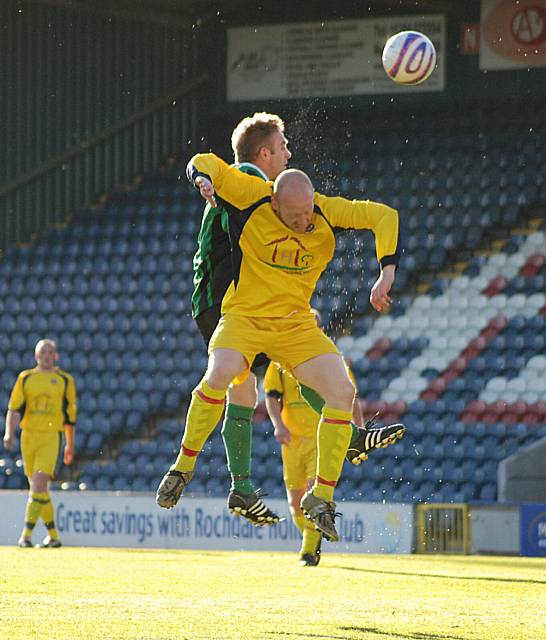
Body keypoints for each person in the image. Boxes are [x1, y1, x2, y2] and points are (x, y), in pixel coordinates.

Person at [157, 152, 400, 543]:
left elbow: (384, 215)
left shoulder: (323, 209)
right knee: (220, 374)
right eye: (295, 214)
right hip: (244, 318)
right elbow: (207, 162)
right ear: (273, 201)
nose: (304, 221)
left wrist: (386, 272)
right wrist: (202, 179)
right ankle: (183, 467)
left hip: (294, 324)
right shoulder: (253, 195)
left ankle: (321, 498)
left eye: (308, 212)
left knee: (343, 391)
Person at [192, 112, 291, 525]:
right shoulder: (246, 181)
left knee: (245, 389)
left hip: (223, 300)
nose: (289, 153)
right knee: (290, 355)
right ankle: (348, 434)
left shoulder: (247, 185)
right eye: (283, 146)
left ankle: (241, 487)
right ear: (264, 153)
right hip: (227, 300)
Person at [264, 309, 367, 566]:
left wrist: (361, 432)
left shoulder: (331, 360)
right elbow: (272, 396)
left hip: (321, 439)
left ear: (318, 331)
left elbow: (349, 395)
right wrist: (278, 425)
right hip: (292, 442)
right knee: (295, 504)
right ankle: (313, 537)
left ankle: (309, 552)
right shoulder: (279, 360)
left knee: (313, 496)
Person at [3, 339, 77, 548]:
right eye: (43, 352)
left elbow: (70, 417)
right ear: (36, 356)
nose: (47, 355)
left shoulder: (64, 380)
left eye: (50, 352)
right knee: (38, 489)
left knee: (38, 483)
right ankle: (53, 536)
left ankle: (25, 536)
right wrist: (9, 433)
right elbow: (14, 408)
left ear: (56, 356)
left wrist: (69, 445)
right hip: (29, 436)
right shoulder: (26, 378)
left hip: (51, 436)